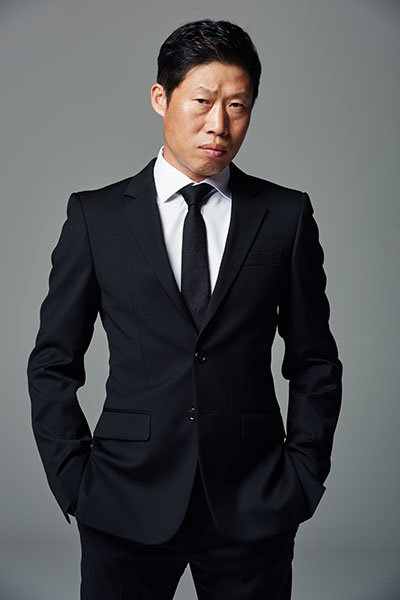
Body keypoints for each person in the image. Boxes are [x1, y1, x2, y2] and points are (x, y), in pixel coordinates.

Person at [27, 18, 343, 600]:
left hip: (254, 500)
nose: (219, 124)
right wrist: (73, 481)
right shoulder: (96, 218)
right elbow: (52, 361)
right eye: (202, 101)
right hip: (123, 499)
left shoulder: (286, 215)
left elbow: (315, 361)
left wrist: (303, 475)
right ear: (161, 98)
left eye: (238, 106)